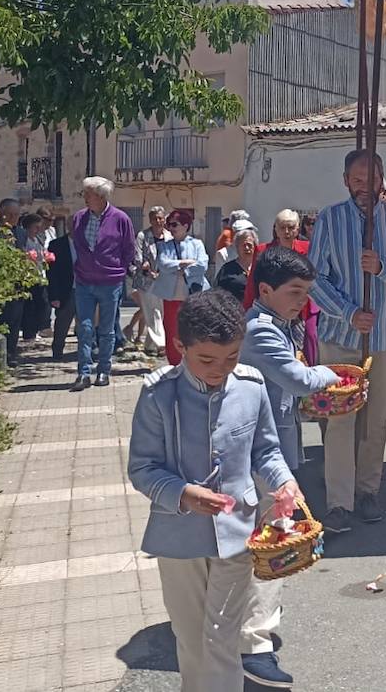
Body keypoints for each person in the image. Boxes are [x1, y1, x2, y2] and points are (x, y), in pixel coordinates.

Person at [127, 290, 301, 692]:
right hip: (178, 536)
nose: (219, 369)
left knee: (221, 638)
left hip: (238, 533)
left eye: (231, 358)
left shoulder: (251, 386)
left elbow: (266, 450)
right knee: (190, 640)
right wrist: (183, 493)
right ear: (179, 345)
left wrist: (283, 481)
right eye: (206, 359)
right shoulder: (158, 395)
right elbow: (142, 468)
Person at [236, 249, 341, 688]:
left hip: (273, 440)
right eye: (294, 292)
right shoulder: (261, 330)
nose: (303, 301)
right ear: (264, 291)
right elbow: (297, 379)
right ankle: (254, 643)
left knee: (265, 537)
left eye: (306, 293)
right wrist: (331, 374)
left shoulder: (277, 324)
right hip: (262, 449)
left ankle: (251, 624)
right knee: (271, 540)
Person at [308, 150, 386, 532]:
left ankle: (367, 490)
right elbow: (315, 279)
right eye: (357, 179)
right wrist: (348, 312)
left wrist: (383, 268)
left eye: (371, 178)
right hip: (341, 337)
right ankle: (339, 501)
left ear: (382, 179)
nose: (365, 187)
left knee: (375, 420)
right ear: (346, 181)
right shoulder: (330, 219)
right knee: (340, 419)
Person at [69, 177, 136, 390]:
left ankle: (104, 371)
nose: (85, 198)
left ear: (100, 196)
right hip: (84, 280)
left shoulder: (120, 219)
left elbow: (129, 249)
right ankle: (83, 373)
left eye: (87, 194)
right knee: (85, 327)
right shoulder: (79, 218)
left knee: (106, 330)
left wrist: (119, 270)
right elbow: (77, 245)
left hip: (110, 281)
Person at [244, 210, 316, 363]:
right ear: (275, 229)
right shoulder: (263, 250)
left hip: (301, 309)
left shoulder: (308, 248)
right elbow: (253, 283)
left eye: (291, 227)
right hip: (272, 309)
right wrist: (247, 308)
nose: (286, 232)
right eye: (282, 227)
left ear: (297, 229)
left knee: (308, 345)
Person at [148, 209, 210, 366]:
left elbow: (202, 265)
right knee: (172, 330)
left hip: (193, 295)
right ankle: (174, 364)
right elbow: (163, 264)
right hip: (171, 296)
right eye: (169, 225)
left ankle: (194, 363)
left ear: (185, 225)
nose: (170, 227)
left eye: (174, 224)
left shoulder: (197, 244)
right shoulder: (164, 246)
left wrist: (181, 269)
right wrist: (184, 263)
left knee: (194, 331)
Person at [132, 207, 170, 356]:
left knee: (160, 313)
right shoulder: (143, 235)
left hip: (164, 280)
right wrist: (146, 268)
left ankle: (150, 345)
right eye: (155, 218)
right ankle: (161, 344)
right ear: (150, 220)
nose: (158, 221)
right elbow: (137, 256)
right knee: (152, 312)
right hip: (146, 280)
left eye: (160, 218)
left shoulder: (169, 236)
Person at [0, 198, 27, 367]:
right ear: (1, 213)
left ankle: (11, 354)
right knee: (0, 321)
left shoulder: (20, 232)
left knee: (15, 321)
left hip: (17, 284)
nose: (14, 218)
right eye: (11, 214)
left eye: (17, 215)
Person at [19, 213, 51, 342]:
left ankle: (37, 329)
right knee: (30, 306)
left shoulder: (37, 239)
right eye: (35, 227)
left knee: (42, 303)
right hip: (29, 277)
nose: (38, 229)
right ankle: (29, 332)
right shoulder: (24, 240)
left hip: (39, 275)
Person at [47, 231, 77, 361]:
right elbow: (51, 272)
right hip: (66, 290)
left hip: (84, 289)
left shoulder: (86, 243)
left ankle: (86, 351)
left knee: (85, 324)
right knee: (62, 323)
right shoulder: (56, 245)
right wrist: (54, 295)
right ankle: (57, 350)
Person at [216, 227, 258, 302]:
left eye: (249, 245)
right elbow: (218, 294)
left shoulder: (261, 267)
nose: (247, 248)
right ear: (237, 248)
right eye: (243, 245)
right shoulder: (227, 270)